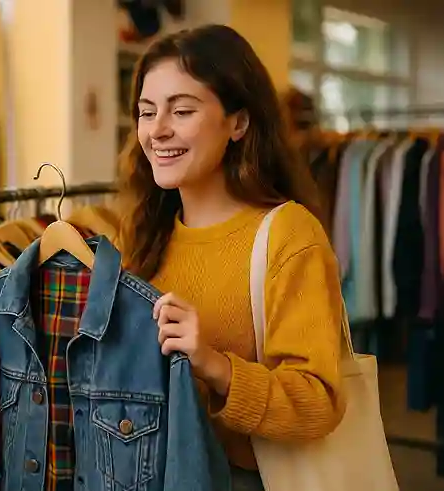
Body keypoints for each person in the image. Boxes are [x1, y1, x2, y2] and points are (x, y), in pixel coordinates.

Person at [117, 25, 347, 490]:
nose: (158, 129)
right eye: (146, 112)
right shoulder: (142, 232)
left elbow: (318, 402)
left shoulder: (288, 233)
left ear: (238, 122)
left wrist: (213, 364)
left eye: (182, 110)